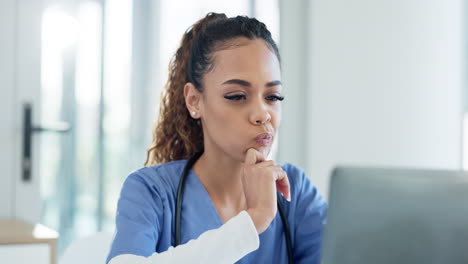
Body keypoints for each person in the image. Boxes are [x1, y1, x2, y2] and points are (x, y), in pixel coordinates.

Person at [106, 12, 327, 264]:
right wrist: (254, 220)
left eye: (273, 97)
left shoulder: (294, 192)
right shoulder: (151, 191)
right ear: (194, 101)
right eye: (237, 96)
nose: (262, 114)